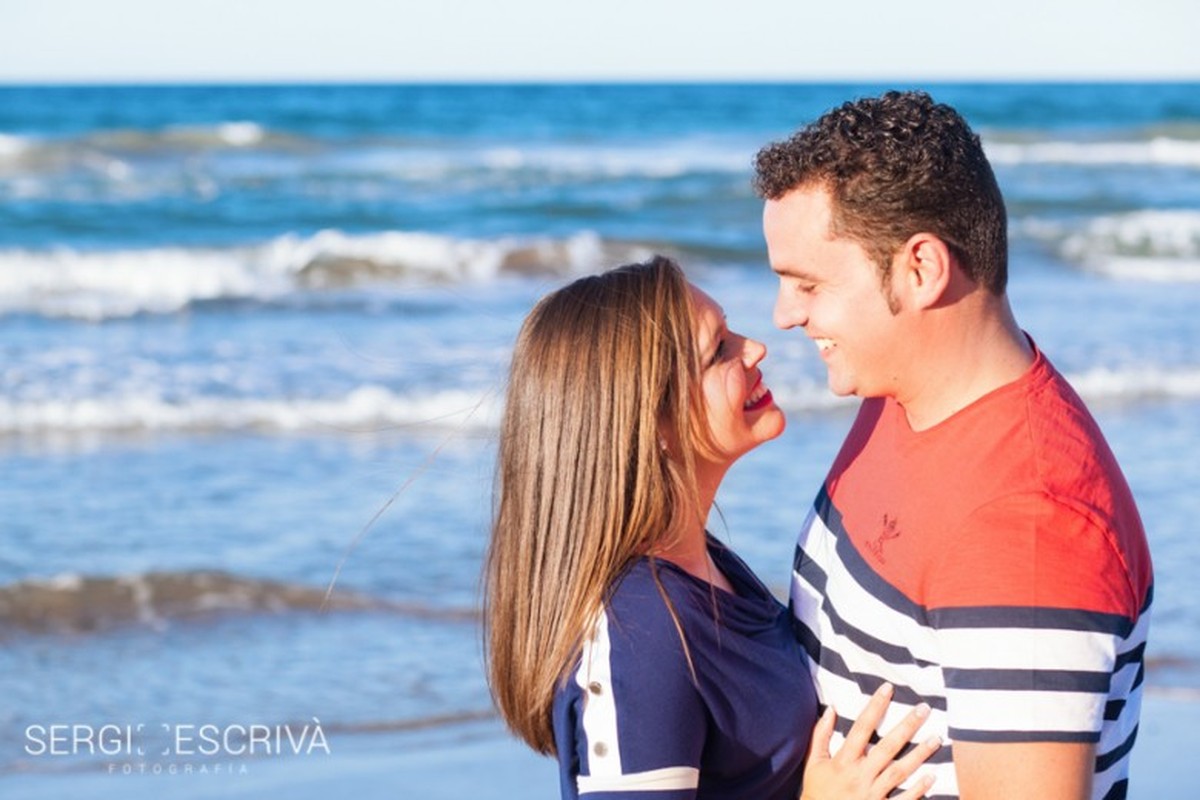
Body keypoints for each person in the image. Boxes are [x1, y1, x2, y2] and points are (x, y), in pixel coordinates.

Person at [753, 90, 1154, 800]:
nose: (785, 315)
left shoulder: (1026, 523)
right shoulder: (895, 396)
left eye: (807, 283)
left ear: (921, 269)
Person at [483, 256, 941, 800]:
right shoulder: (637, 637)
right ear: (652, 421)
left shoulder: (705, 564)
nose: (755, 349)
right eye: (719, 350)